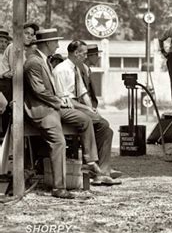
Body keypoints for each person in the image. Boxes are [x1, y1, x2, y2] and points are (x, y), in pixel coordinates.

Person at [24, 29, 104, 199]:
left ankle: (90, 161)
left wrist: (60, 100)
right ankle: (59, 188)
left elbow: (48, 91)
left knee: (84, 119)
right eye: (55, 42)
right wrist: (59, 101)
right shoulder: (33, 62)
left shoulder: (43, 60)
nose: (58, 45)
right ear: (47, 43)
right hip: (42, 110)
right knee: (58, 141)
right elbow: (39, 91)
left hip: (52, 106)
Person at [53, 40, 120, 185]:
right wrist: (87, 109)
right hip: (66, 108)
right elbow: (66, 99)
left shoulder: (76, 68)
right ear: (76, 53)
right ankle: (94, 167)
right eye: (84, 53)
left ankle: (103, 171)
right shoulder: (61, 70)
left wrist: (92, 109)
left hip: (78, 107)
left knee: (106, 130)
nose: (86, 56)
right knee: (102, 125)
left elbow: (83, 92)